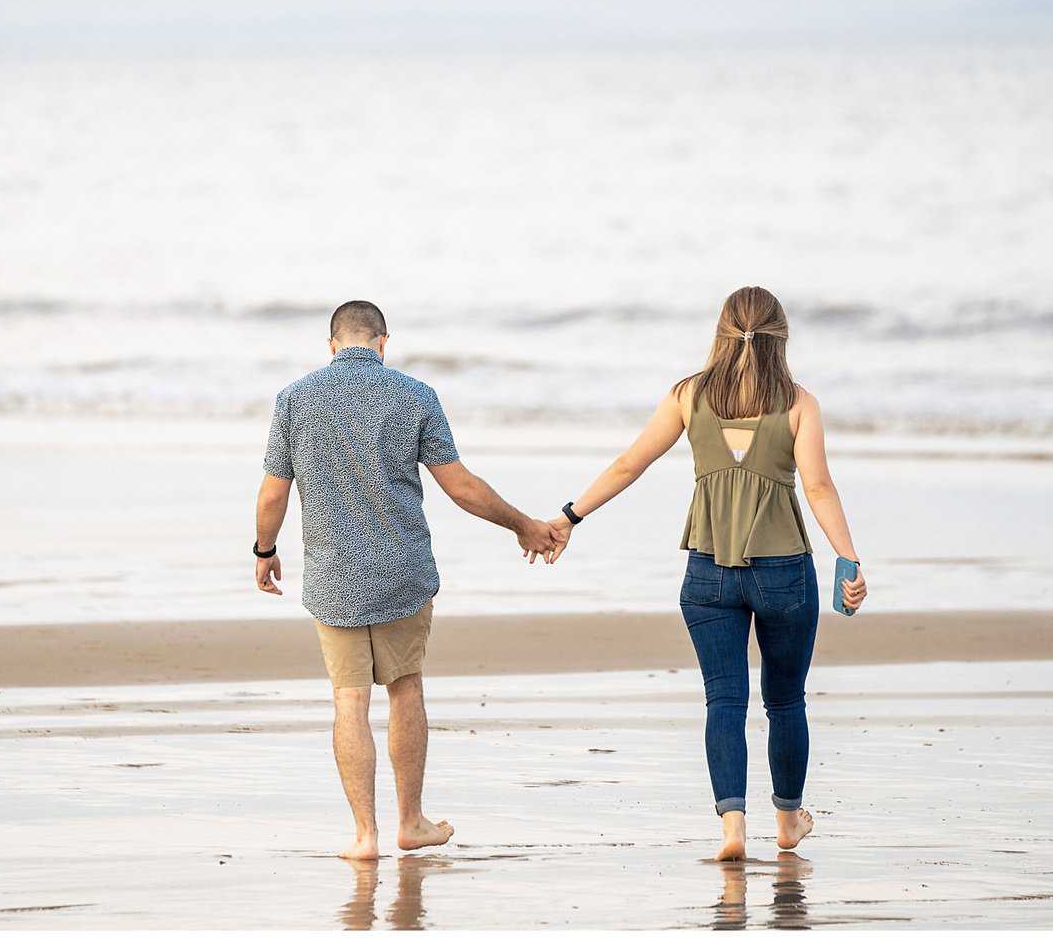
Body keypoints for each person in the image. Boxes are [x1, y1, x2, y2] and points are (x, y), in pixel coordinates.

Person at [547, 286, 867, 861]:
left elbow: (631, 462)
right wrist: (849, 558)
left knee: (724, 700)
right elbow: (818, 486)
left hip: (708, 572)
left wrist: (570, 516)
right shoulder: (799, 403)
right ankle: (789, 821)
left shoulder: (687, 396)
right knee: (786, 701)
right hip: (784, 572)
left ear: (721, 333)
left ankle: (733, 829)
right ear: (781, 337)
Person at [254, 299, 560, 861]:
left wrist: (264, 550)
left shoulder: (294, 400)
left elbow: (274, 491)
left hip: (332, 578)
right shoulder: (414, 395)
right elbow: (460, 486)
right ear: (382, 342)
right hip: (402, 573)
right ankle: (410, 822)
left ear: (331, 346)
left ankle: (365, 836)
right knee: (405, 688)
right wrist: (523, 525)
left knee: (348, 700)